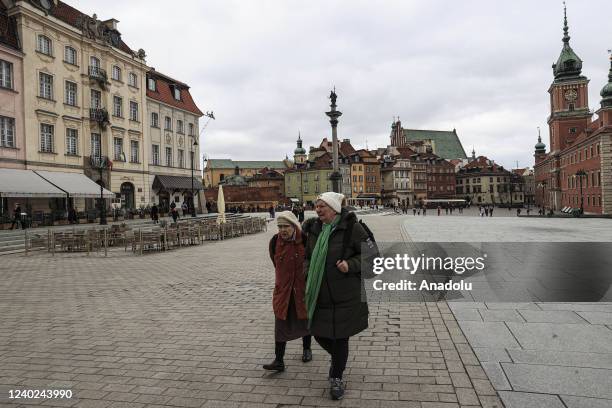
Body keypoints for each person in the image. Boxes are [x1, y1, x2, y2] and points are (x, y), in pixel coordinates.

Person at [303, 192, 370, 400]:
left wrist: (350, 265)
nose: (318, 209)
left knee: (340, 338)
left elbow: (374, 257)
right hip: (319, 295)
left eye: (322, 206)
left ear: (334, 209)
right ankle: (340, 359)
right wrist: (307, 271)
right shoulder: (314, 230)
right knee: (318, 332)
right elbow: (307, 256)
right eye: (316, 206)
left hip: (346, 296)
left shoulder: (353, 229)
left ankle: (336, 377)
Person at [263, 211, 312, 372]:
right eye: (279, 226)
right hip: (283, 290)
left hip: (301, 289)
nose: (282, 230)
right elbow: (275, 262)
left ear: (294, 226)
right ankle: (279, 360)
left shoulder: (305, 240)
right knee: (280, 323)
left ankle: (307, 349)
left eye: (286, 226)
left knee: (304, 319)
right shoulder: (274, 241)